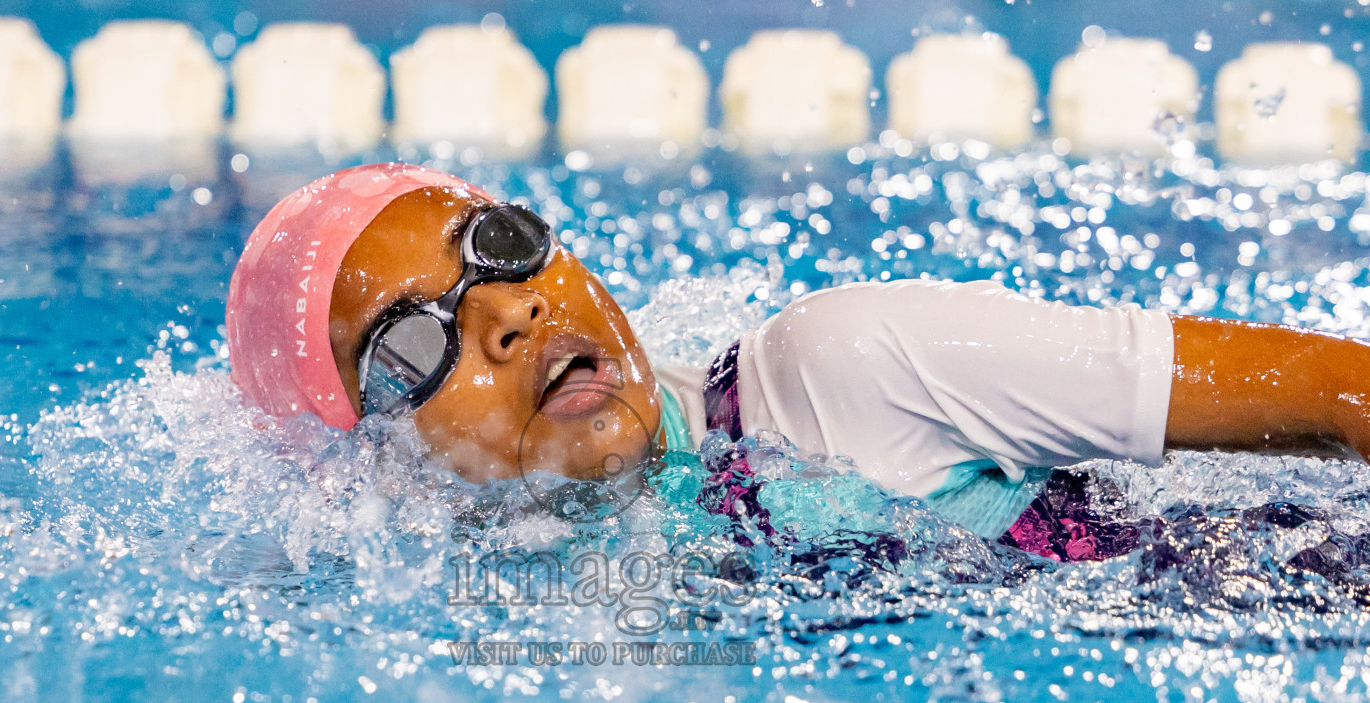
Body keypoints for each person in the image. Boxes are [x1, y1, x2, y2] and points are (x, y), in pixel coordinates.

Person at [226, 163, 1370, 561]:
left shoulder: (848, 372)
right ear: (366, 464)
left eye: (500, 246)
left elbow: (1344, 392)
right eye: (412, 344)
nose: (508, 316)